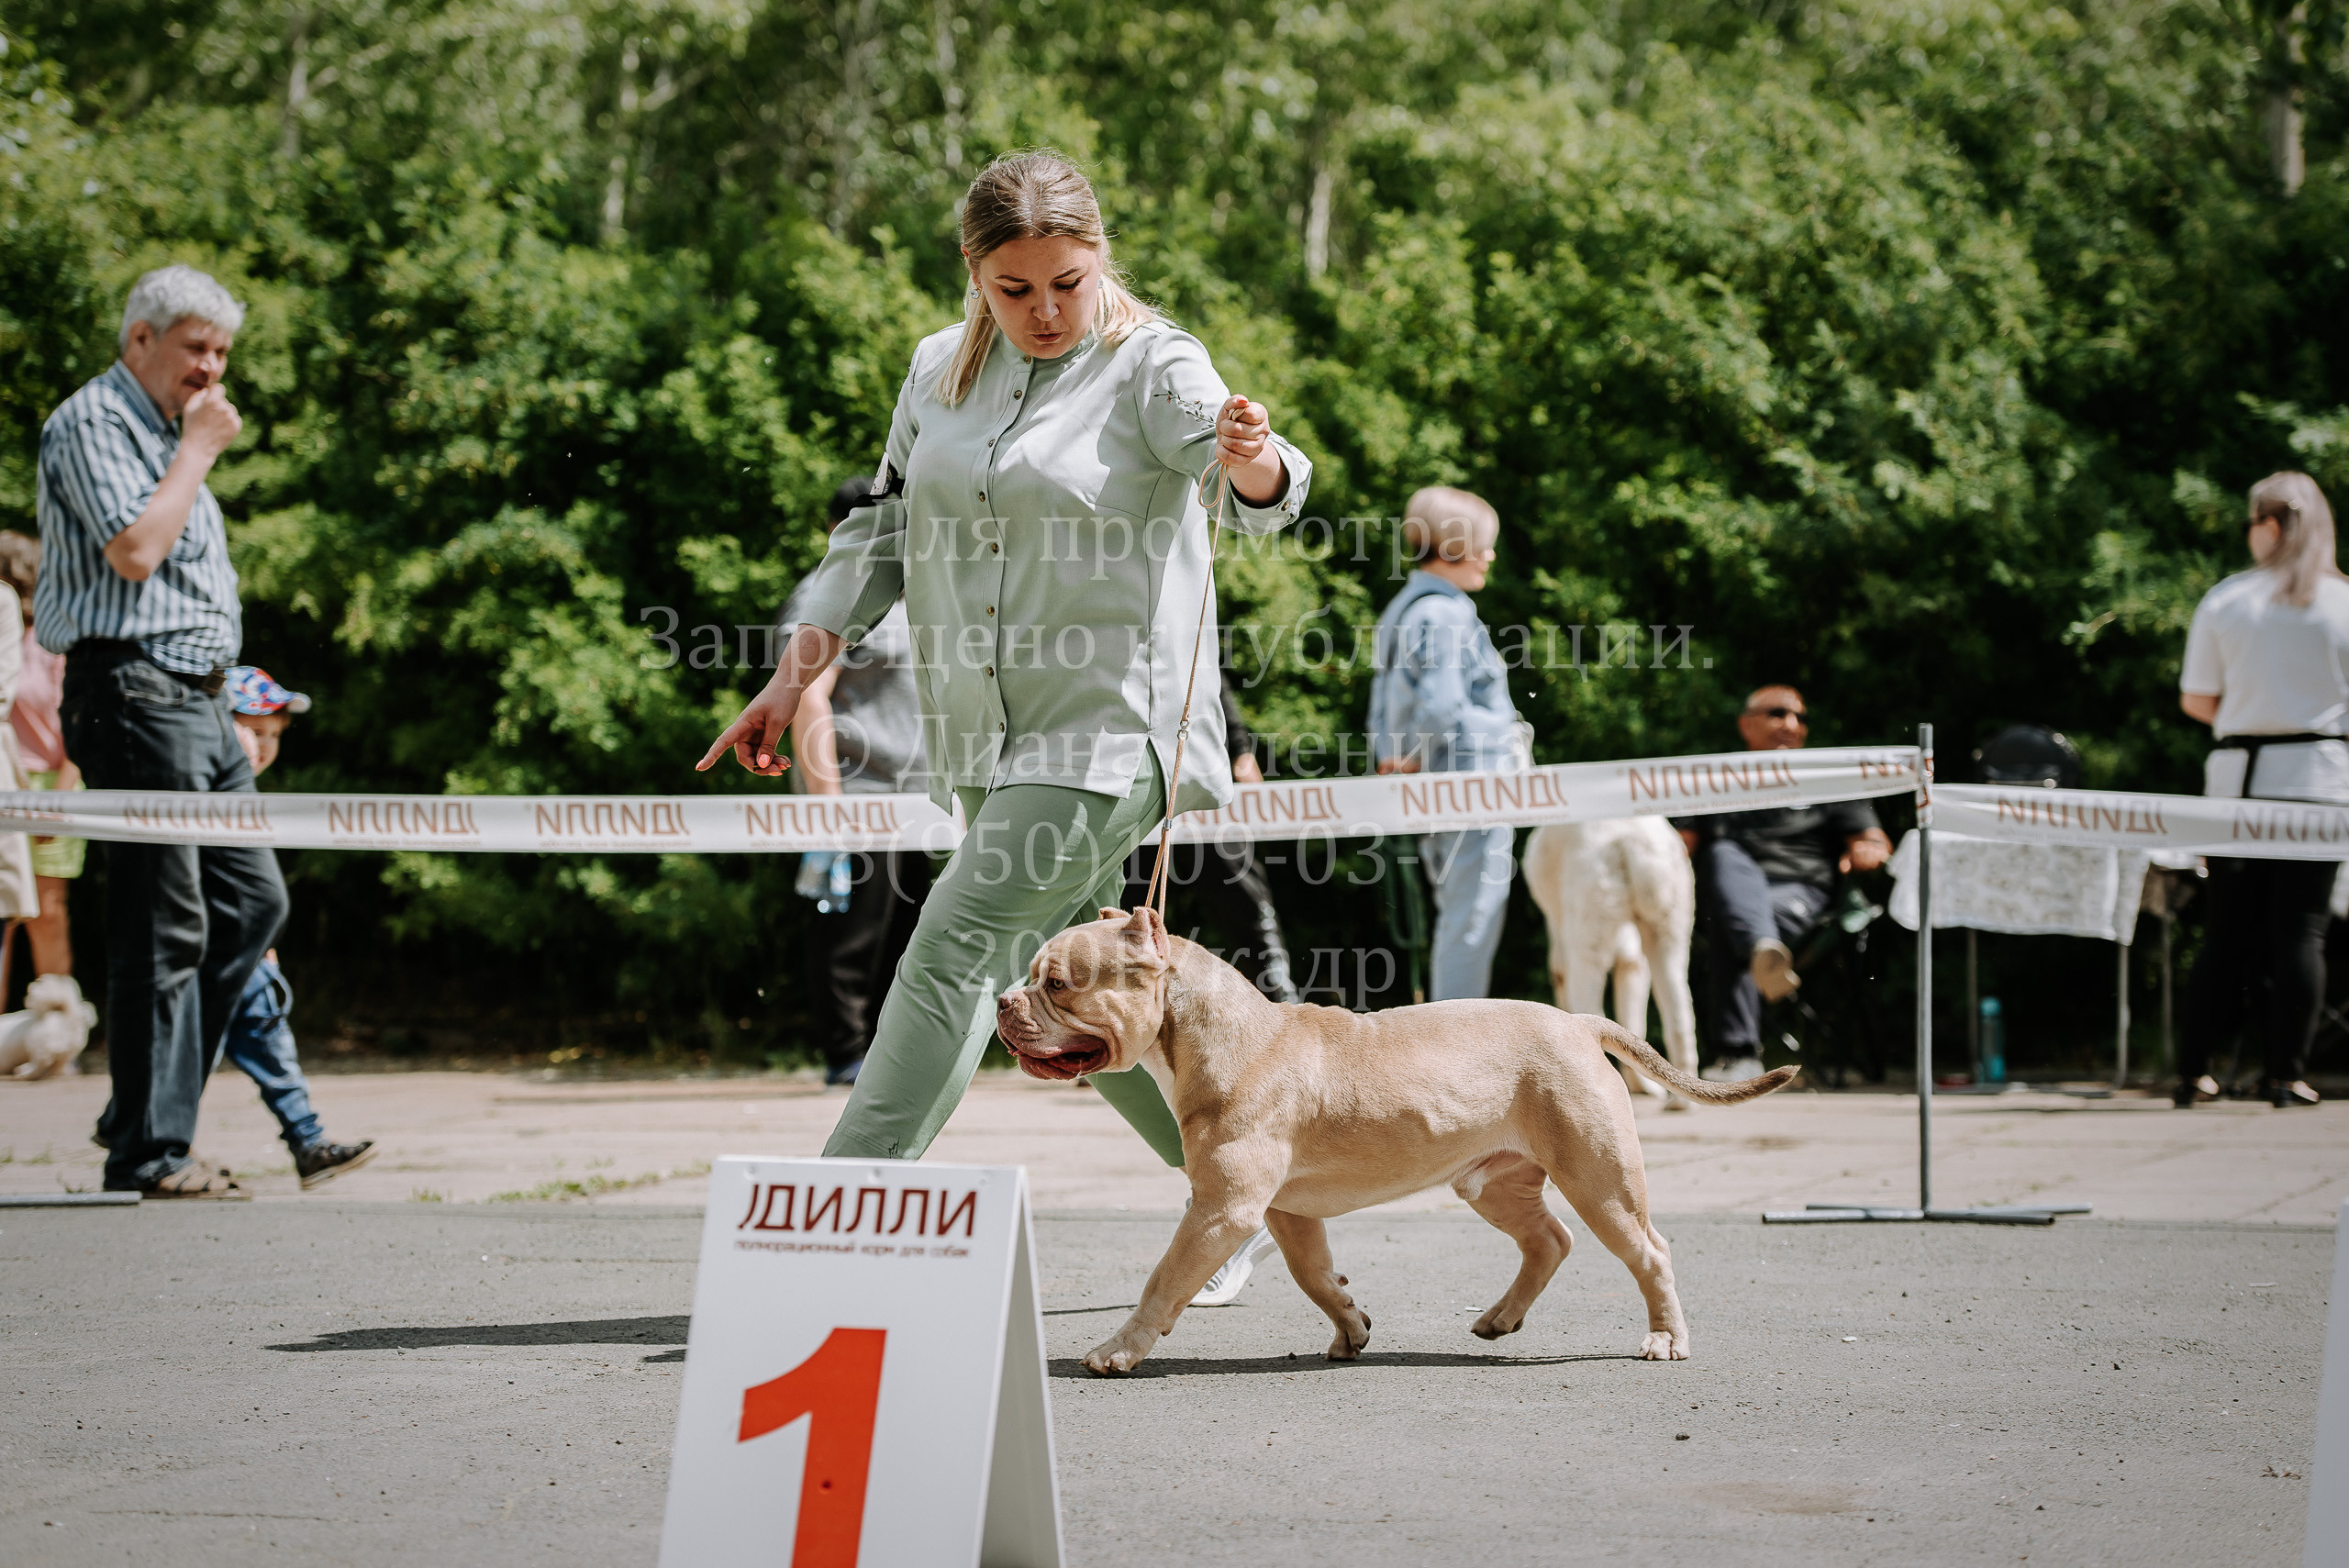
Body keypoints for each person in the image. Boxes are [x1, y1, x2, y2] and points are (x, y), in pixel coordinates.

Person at [696, 151, 1310, 1185]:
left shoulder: (1154, 359)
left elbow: (1264, 478)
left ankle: (836, 1211)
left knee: (951, 948)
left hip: (1111, 734)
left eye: (1068, 283)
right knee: (1067, 984)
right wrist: (787, 681)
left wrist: (1249, 451)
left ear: (1098, 258)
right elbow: (876, 538)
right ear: (974, 273)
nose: (1046, 312)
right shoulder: (938, 366)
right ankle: (1252, 1191)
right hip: (981, 738)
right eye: (1013, 289)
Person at [35, 264, 288, 1197]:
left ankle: (141, 1109)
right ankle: (148, 1146)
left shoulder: (169, 430)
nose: (211, 369)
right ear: (139, 339)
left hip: (201, 702)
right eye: (195, 348)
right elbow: (136, 553)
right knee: (163, 920)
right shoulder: (94, 424)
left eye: (221, 352)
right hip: (134, 692)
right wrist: (196, 456)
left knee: (254, 904)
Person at [2176, 471, 2347, 1109]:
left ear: (2269, 525)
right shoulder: (2344, 605)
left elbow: (2198, 699)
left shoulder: (2228, 601)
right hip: (2322, 783)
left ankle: (2193, 1068)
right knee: (2303, 933)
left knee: (2226, 932)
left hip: (2241, 784)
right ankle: (2287, 1073)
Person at [783, 477, 936, 1088]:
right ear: (838, 533)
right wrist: (828, 810)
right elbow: (806, 699)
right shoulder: (826, 595)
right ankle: (846, 1053)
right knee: (853, 935)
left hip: (917, 800)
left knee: (907, 933)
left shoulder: (907, 595)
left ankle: (889, 1058)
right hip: (858, 795)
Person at [1676, 685, 1890, 1080]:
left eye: (1800, 717)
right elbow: (1676, 847)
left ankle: (1737, 1055)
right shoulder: (1716, 780)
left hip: (1800, 895)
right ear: (1746, 724)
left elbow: (1872, 839)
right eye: (1777, 713)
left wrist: (1868, 850)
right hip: (1729, 891)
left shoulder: (1826, 775)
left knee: (1731, 921)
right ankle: (1762, 950)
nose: (1791, 725)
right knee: (1724, 858)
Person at [1367, 486, 1530, 1001]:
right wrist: (1414, 757)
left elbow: (1393, 705)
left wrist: (1398, 760)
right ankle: (1459, 1059)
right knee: (1472, 921)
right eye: (1484, 544)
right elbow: (1439, 708)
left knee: (1456, 919)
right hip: (1471, 787)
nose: (1490, 555)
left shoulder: (1405, 608)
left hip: (1438, 788)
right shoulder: (1447, 614)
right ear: (1455, 546)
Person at [1122, 684, 1302, 1006]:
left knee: (1244, 898)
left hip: (1204, 779)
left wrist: (1241, 751)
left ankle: (1281, 1002)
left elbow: (1213, 684)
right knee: (1131, 914)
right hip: (1133, 782)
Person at [0, 531, 87, 988]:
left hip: (53, 781)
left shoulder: (56, 643)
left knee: (48, 914)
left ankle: (59, 1038)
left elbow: (79, 724)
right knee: (2, 915)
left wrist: (59, 799)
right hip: (4, 781)